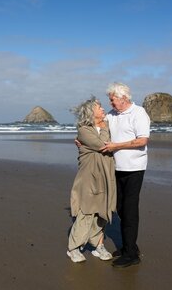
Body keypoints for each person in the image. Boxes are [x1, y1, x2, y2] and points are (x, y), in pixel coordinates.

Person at [101, 82, 151, 268]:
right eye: (110, 100)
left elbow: (142, 140)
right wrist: (81, 140)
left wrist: (116, 146)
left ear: (123, 98)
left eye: (112, 100)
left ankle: (131, 254)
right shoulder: (112, 115)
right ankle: (130, 246)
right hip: (116, 167)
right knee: (120, 208)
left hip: (134, 168)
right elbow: (99, 127)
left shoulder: (138, 113)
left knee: (130, 210)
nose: (111, 103)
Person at [66, 96, 117, 263]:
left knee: (102, 211)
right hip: (88, 176)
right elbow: (102, 145)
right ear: (90, 112)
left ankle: (98, 245)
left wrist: (105, 126)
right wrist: (104, 127)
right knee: (86, 211)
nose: (102, 109)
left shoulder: (106, 124)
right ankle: (73, 248)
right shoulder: (84, 130)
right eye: (99, 107)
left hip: (106, 175)